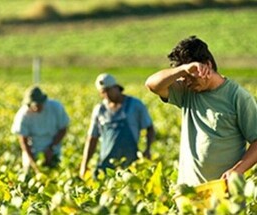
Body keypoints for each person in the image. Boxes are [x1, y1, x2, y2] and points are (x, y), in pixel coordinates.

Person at [145, 35, 257, 186]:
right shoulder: (186, 92)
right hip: (189, 192)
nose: (186, 81)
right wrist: (184, 70)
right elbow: (152, 84)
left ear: (207, 65)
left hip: (224, 191)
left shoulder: (238, 96)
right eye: (183, 77)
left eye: (190, 76)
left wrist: (237, 170)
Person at [79, 73, 155, 178]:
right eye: (103, 92)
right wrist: (84, 164)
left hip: (130, 163)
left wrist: (147, 149)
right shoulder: (100, 110)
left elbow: (149, 128)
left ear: (116, 87)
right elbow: (92, 138)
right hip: (106, 165)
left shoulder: (135, 105)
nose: (106, 95)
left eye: (109, 91)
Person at [11, 86, 69, 173]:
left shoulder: (56, 108)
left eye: (38, 104)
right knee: (29, 175)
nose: (36, 108)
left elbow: (63, 129)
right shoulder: (23, 115)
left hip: (53, 151)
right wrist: (33, 163)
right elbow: (23, 140)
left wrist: (51, 148)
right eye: (33, 105)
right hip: (32, 152)